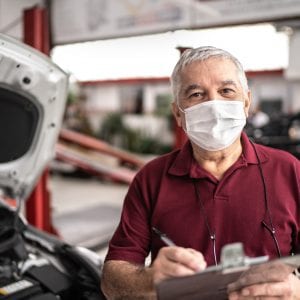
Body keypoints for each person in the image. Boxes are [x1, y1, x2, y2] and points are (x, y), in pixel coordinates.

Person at [101, 46, 300, 299]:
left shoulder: (289, 170)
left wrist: (297, 290)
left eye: (226, 91)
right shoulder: (151, 179)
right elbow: (111, 281)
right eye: (196, 94)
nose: (214, 105)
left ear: (246, 102)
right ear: (178, 114)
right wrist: (150, 280)